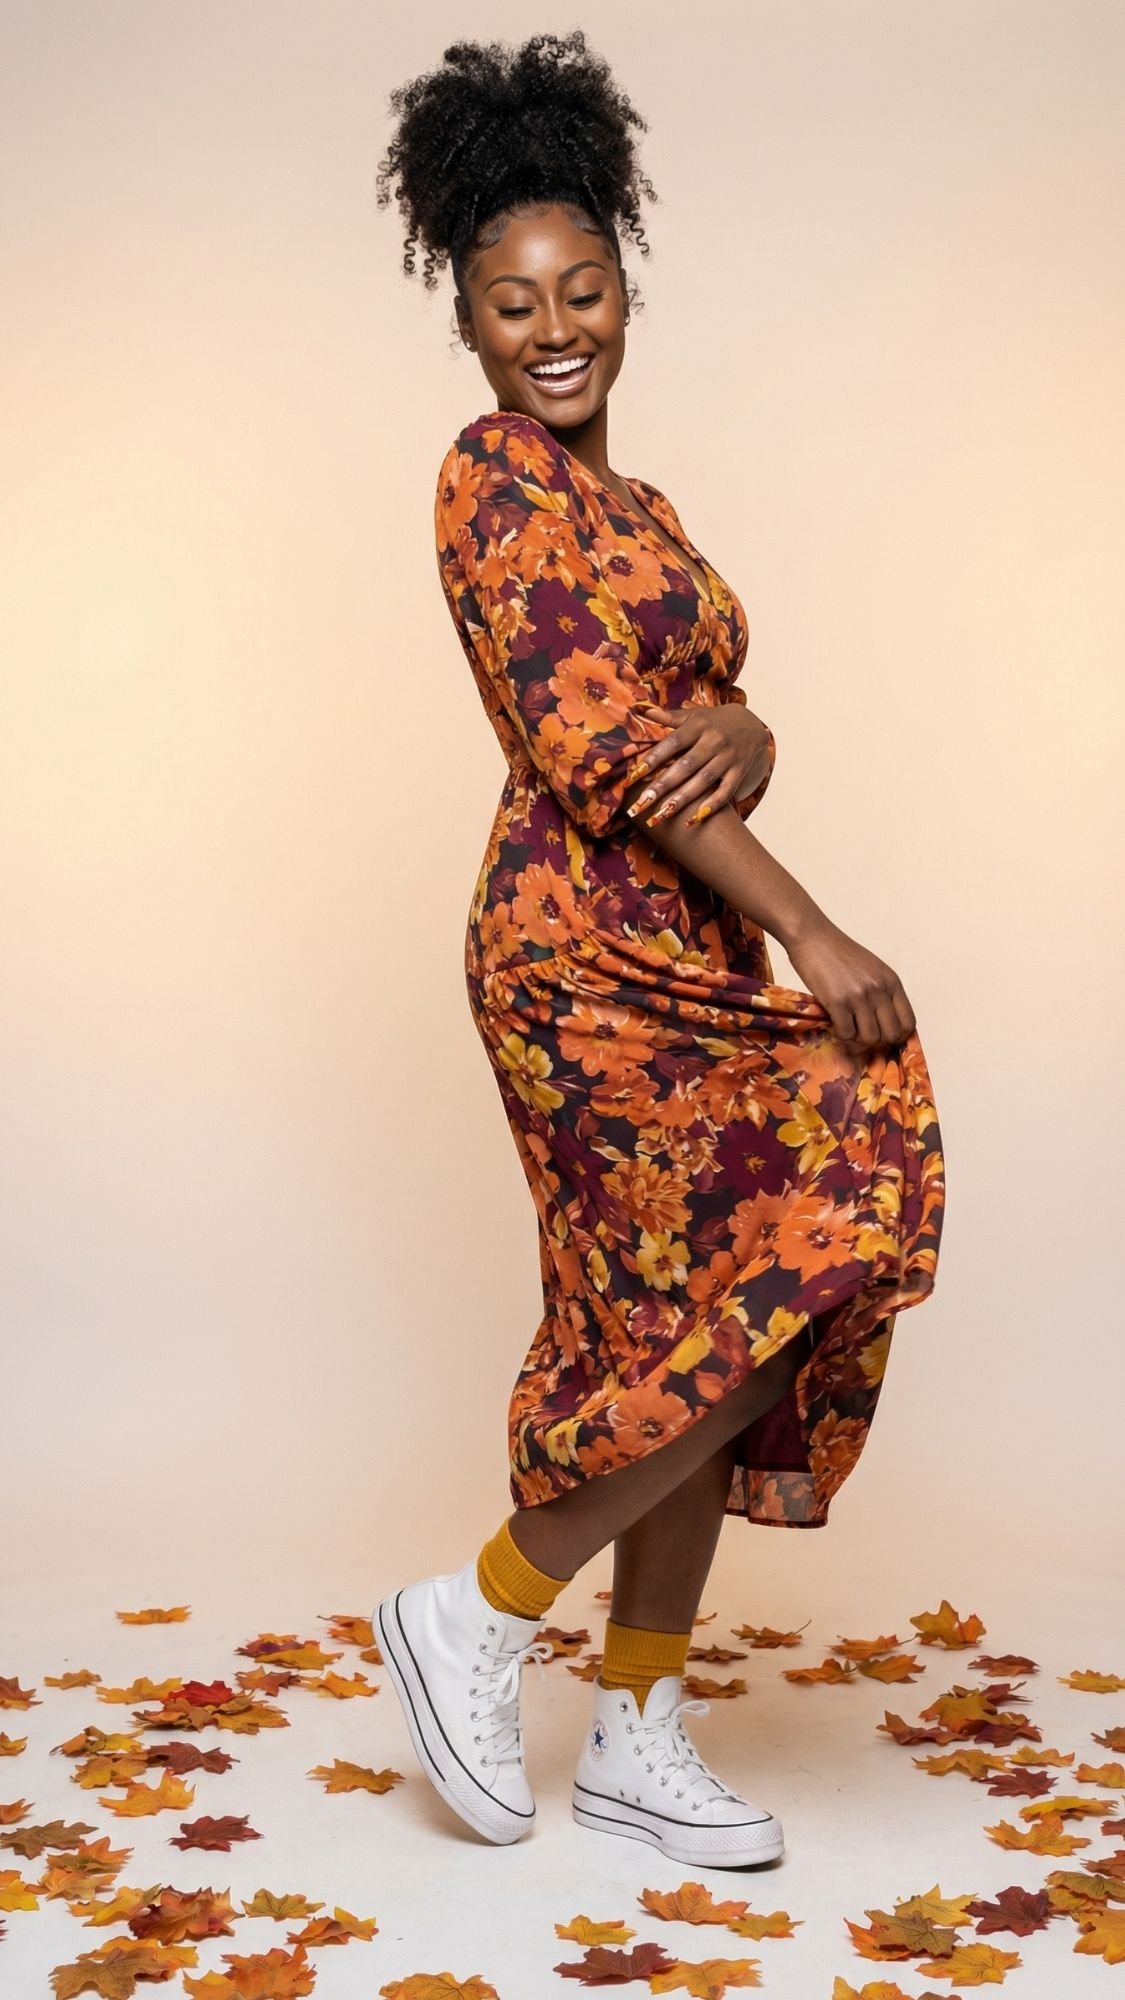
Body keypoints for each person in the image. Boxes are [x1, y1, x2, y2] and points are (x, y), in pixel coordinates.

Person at [372, 29, 945, 1869]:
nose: (552, 329)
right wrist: (812, 919)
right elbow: (602, 745)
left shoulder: (645, 513)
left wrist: (757, 730)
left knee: (722, 1319)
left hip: (688, 947)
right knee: (695, 1320)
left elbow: (699, 705)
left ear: (627, 282)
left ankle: (632, 1718)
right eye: (508, 302)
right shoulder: (493, 481)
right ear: (464, 323)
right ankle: (474, 1606)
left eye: (582, 289)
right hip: (575, 955)